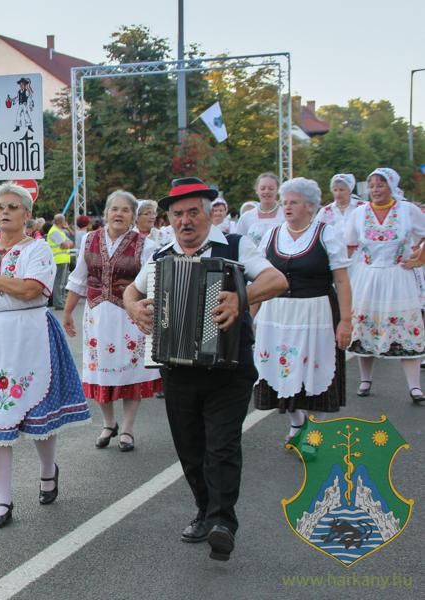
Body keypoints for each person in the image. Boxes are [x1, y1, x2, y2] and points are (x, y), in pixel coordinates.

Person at [124, 177, 287, 561]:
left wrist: (241, 298)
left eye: (192, 212)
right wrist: (133, 307)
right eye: (177, 214)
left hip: (229, 366)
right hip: (178, 368)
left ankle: (222, 522)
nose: (185, 221)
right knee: (190, 447)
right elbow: (132, 290)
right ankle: (204, 509)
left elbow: (276, 279)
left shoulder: (234, 245)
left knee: (223, 444)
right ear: (170, 217)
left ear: (209, 213)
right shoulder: (161, 256)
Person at [0, 182, 91, 529]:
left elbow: (30, 290)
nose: (4, 212)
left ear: (27, 214)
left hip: (31, 332)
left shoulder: (38, 250)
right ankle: (2, 499)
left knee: (39, 412)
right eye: (0, 206)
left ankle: (48, 471)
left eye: (12, 207)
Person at [252, 178, 353, 451]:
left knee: (316, 371)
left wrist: (345, 321)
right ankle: (296, 423)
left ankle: (316, 431)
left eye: (293, 202)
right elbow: (258, 280)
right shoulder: (272, 236)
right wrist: (249, 318)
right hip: (276, 316)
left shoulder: (326, 234)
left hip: (316, 314)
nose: (287, 207)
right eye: (285, 202)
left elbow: (342, 281)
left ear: (309, 207)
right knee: (277, 370)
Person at [63, 191, 162, 452]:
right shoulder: (89, 240)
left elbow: (152, 283)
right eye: (114, 209)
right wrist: (67, 313)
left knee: (131, 372)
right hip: (96, 316)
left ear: (133, 216)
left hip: (129, 317)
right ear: (106, 213)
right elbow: (78, 279)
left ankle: (127, 428)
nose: (118, 214)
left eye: (125, 210)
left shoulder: (145, 245)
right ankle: (108, 423)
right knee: (99, 370)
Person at [346, 168, 425, 403]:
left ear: (391, 185)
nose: (375, 190)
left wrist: (418, 258)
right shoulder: (359, 214)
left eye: (380, 185)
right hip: (368, 277)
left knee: (406, 328)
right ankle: (365, 379)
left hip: (398, 276)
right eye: (371, 185)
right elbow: (349, 245)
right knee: (365, 328)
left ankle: (414, 387)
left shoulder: (407, 210)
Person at [235, 173, 284, 246]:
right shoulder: (246, 217)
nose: (266, 191)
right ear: (256, 190)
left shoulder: (286, 215)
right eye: (262, 188)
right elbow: (238, 244)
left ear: (277, 190)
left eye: (271, 188)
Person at [47, 214, 75, 310]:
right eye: (64, 221)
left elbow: (71, 243)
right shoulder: (55, 232)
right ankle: (58, 302)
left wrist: (67, 244)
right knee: (59, 283)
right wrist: (67, 244)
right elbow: (65, 244)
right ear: (61, 222)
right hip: (58, 260)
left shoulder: (59, 231)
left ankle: (61, 301)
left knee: (62, 283)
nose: (65, 222)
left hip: (63, 259)